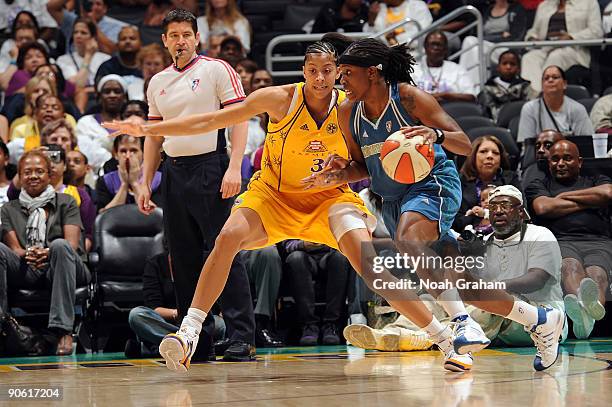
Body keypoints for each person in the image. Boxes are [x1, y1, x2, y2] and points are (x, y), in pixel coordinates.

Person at [105, 34, 488, 373]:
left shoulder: (349, 108)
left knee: (371, 269)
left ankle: (444, 338)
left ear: (338, 72)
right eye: (313, 71)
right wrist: (149, 129)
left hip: (329, 200)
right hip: (272, 196)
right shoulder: (278, 99)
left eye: (328, 71)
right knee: (226, 239)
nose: (321, 79)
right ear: (303, 71)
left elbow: (365, 162)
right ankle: (188, 333)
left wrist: (349, 170)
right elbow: (211, 120)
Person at [325, 37, 563, 370]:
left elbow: (464, 144)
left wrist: (434, 135)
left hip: (433, 183)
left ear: (373, 73)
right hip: (392, 200)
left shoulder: (408, 98)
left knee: (409, 242)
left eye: (348, 73)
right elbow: (362, 166)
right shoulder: (348, 113)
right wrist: (339, 173)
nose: (341, 81)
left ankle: (463, 325)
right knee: (463, 284)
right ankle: (539, 319)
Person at [114, 9, 257, 363]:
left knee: (225, 251)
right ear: (164, 41)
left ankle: (241, 337)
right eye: (173, 35)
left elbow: (239, 118)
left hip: (212, 166)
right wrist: (146, 181)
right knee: (184, 259)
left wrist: (235, 166)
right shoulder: (157, 81)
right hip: (174, 172)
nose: (180, 40)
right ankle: (199, 342)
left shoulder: (216, 69)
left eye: (186, 34)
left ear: (197, 38)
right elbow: (153, 136)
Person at [347, 185, 568, 351]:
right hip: (501, 320)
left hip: (539, 320)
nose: (498, 211)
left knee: (485, 305)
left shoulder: (539, 234)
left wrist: (491, 288)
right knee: (435, 297)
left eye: (505, 206)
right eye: (493, 207)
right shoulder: (484, 241)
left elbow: (536, 280)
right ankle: (392, 333)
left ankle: (424, 338)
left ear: (521, 213)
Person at [0, 150, 91, 355]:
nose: (33, 176)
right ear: (20, 177)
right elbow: (14, 249)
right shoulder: (8, 209)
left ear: (50, 175)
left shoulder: (66, 202)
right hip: (27, 266)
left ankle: (63, 331)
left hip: (65, 264)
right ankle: (2, 324)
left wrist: (48, 252)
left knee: (60, 245)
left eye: (39, 171)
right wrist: (30, 254)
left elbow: (72, 244)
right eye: (27, 172)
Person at [526, 140, 612, 339]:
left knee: (597, 275)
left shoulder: (597, 179)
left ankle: (585, 316)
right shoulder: (538, 185)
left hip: (598, 241)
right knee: (570, 268)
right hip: (561, 241)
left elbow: (607, 193)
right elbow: (544, 208)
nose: (560, 163)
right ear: (548, 163)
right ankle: (587, 317)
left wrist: (562, 197)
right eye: (554, 159)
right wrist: (590, 202)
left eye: (567, 158)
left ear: (579, 162)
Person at [521, 0, 603, 93]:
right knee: (529, 58)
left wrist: (571, 37)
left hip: (573, 48)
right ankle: (533, 96)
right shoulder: (544, 5)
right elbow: (534, 30)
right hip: (545, 46)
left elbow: (596, 32)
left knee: (556, 56)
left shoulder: (589, 2)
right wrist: (532, 38)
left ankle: (545, 95)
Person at [281, 240, 350, 345]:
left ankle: (331, 324)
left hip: (330, 251)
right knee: (295, 258)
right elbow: (285, 244)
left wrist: (328, 243)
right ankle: (309, 325)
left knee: (341, 257)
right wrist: (302, 245)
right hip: (303, 253)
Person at [454, 136, 521, 233]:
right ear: (473, 156)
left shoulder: (510, 179)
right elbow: (455, 221)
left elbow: (520, 212)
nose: (490, 156)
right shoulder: (460, 181)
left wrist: (483, 214)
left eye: (496, 153)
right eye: (483, 151)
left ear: (501, 158)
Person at [459, 0, 528, 90]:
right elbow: (477, 34)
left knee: (475, 46)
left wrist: (490, 38)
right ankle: (466, 86)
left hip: (504, 49)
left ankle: (478, 89)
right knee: (470, 42)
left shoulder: (517, 9)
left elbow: (516, 37)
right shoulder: (488, 9)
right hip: (485, 45)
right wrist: (500, 35)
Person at [517, 66, 594, 144]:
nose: (550, 80)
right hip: (540, 154)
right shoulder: (530, 109)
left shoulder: (578, 109)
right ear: (542, 85)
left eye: (555, 77)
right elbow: (526, 146)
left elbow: (587, 142)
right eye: (546, 78)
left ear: (564, 84)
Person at [95, 134, 162, 213]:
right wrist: (124, 184)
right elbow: (103, 218)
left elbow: (156, 215)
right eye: (123, 151)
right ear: (116, 154)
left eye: (133, 151)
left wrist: (134, 183)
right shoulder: (105, 181)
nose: (128, 156)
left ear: (144, 154)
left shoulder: (158, 180)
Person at [411, 31, 477, 103]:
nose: (435, 48)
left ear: (445, 49)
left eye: (439, 45)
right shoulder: (414, 69)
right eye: (432, 44)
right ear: (425, 47)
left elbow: (471, 97)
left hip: (451, 110)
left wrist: (447, 96)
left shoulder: (457, 69)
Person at [55, 17, 111, 89]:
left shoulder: (105, 59)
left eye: (83, 33)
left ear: (93, 37)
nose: (78, 36)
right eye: (75, 32)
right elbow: (77, 85)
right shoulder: (63, 60)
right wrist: (88, 56)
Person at [477, 50, 532, 121]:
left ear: (519, 69)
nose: (508, 67)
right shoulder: (488, 89)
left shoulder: (525, 86)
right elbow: (488, 112)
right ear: (498, 67)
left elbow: (530, 108)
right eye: (504, 63)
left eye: (512, 64)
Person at [94, 26, 144, 92]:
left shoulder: (149, 65)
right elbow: (100, 91)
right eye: (123, 39)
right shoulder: (107, 67)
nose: (128, 41)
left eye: (132, 38)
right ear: (117, 45)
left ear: (141, 43)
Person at [363, 0, 432, 46]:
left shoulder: (418, 5)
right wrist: (371, 21)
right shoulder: (378, 8)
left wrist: (393, 39)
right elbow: (369, 39)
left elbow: (421, 35)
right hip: (386, 57)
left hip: (414, 55)